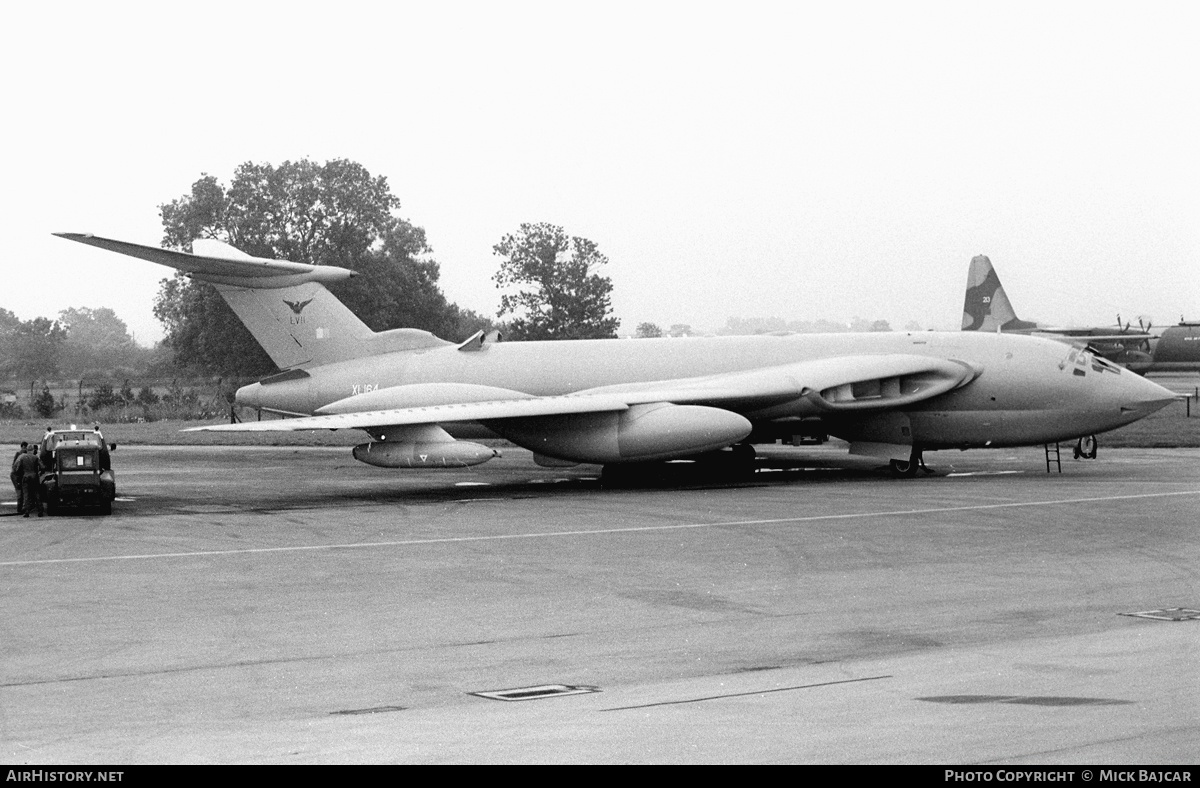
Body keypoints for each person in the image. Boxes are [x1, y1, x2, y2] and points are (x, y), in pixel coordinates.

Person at [15, 444, 43, 518]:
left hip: (26, 477)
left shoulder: (22, 457)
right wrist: (39, 472)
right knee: (37, 493)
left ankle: (27, 511)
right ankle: (40, 510)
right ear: (33, 450)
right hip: (34, 477)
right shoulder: (36, 457)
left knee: (26, 495)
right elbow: (42, 467)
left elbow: (17, 469)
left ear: (27, 450)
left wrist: (20, 475)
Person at [10, 441, 27, 513]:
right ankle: (19, 508)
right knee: (19, 491)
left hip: (18, 475)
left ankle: (21, 507)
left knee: (21, 491)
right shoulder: (19, 454)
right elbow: (15, 467)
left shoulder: (23, 455)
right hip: (17, 475)